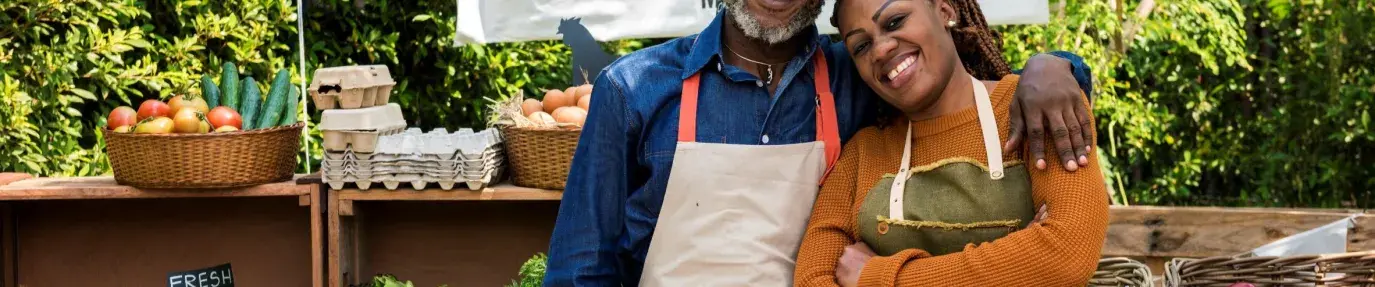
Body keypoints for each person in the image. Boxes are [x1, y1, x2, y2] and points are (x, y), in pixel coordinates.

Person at [544, 0, 1098, 285]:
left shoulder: (854, 78)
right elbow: (580, 271)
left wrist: (1054, 69)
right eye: (864, 42)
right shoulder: (636, 89)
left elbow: (949, 82)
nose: (877, 49)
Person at [793, 0, 1109, 286]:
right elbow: (812, 279)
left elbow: (1066, 254)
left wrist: (877, 277)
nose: (880, 50)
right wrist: (1017, 264)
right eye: (861, 46)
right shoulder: (863, 152)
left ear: (945, 10)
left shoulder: (1037, 109)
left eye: (895, 21)